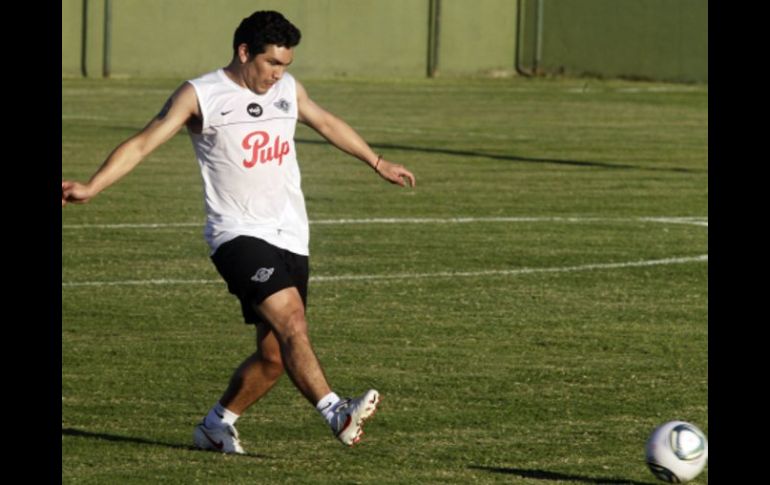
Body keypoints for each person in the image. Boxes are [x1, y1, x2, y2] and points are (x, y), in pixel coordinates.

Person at [61, 10, 415, 454]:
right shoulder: (201, 94)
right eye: (271, 63)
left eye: (285, 65)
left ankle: (216, 425)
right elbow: (144, 142)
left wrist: (377, 162)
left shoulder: (287, 89)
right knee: (292, 320)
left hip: (290, 233)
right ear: (244, 52)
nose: (278, 74)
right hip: (237, 235)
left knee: (274, 357)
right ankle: (335, 410)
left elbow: (326, 123)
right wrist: (92, 186)